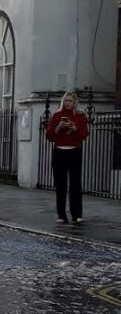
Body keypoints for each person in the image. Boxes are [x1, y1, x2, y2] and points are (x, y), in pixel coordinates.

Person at [45, 91, 90, 224]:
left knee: (75, 184)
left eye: (70, 101)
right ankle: (61, 215)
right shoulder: (57, 116)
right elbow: (49, 136)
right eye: (65, 101)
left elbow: (84, 134)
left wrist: (74, 127)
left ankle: (77, 215)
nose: (67, 103)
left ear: (75, 102)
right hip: (59, 152)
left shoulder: (80, 116)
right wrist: (58, 127)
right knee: (60, 185)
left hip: (74, 152)